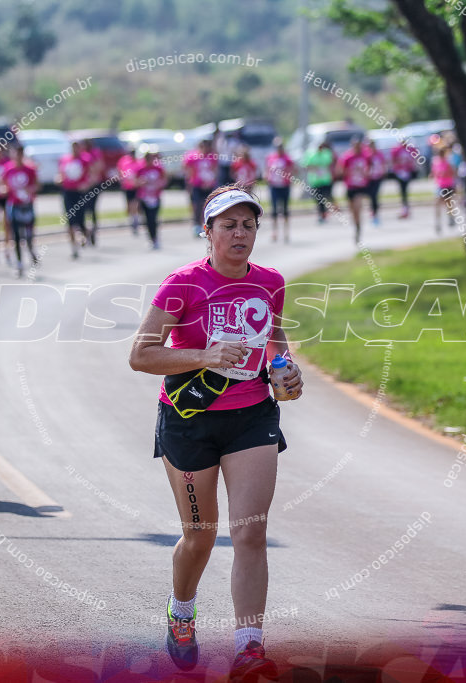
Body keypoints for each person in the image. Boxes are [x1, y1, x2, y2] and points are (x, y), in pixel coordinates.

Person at [129, 185, 303, 679]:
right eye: (228, 225)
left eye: (248, 224)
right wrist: (204, 355)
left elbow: (273, 338)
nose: (239, 233)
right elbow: (141, 355)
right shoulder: (182, 284)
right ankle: (181, 612)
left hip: (251, 417)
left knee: (251, 532)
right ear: (207, 233)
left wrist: (284, 369)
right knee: (200, 537)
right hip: (189, 420)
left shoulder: (270, 282)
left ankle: (249, 648)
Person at [3, 143, 40, 275]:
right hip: (14, 205)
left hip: (27, 205)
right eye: (15, 153)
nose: (17, 156)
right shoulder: (8, 169)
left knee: (28, 236)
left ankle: (31, 251)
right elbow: (5, 186)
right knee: (16, 235)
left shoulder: (30, 169)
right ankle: (19, 263)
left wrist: (29, 190)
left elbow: (37, 186)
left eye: (19, 153)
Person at [58, 141, 92, 259]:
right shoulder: (65, 159)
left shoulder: (85, 160)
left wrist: (86, 184)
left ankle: (85, 234)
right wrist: (59, 179)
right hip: (68, 192)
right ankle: (74, 247)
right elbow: (60, 174)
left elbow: (91, 175)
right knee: (70, 220)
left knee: (81, 219)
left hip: (80, 193)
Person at [337, 137, 371, 245]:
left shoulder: (365, 155)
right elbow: (340, 170)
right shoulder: (347, 157)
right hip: (350, 186)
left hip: (360, 186)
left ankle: (358, 228)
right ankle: (356, 225)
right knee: (352, 211)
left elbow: (370, 166)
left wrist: (365, 174)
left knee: (358, 207)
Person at [184, 139, 219, 236]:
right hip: (196, 184)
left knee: (207, 206)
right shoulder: (193, 157)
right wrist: (189, 183)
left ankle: (206, 225)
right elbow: (188, 170)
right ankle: (196, 225)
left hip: (209, 184)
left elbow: (214, 170)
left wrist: (211, 181)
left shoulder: (212, 157)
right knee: (196, 205)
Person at [264, 139, 294, 243]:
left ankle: (286, 232)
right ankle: (274, 232)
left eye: (281, 147)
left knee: (285, 210)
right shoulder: (271, 157)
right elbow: (267, 168)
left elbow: (293, 169)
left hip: (284, 186)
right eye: (277, 147)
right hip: (274, 186)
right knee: (274, 210)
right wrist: (267, 176)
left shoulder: (287, 158)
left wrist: (289, 177)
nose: (279, 149)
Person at [136, 149, 167, 250]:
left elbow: (164, 180)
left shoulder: (158, 168)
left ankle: (155, 238)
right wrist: (141, 182)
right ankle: (151, 238)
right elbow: (135, 182)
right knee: (147, 219)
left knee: (154, 218)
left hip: (155, 196)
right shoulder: (141, 169)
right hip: (144, 197)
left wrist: (159, 184)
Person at [302, 141, 334, 223]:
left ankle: (325, 213)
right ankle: (322, 215)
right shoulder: (312, 155)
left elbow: (331, 164)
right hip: (316, 181)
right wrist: (315, 168)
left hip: (326, 180)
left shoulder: (326, 154)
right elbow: (307, 166)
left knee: (326, 197)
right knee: (319, 199)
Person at [431, 146, 458, 234]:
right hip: (440, 185)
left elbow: (453, 173)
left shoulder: (448, 162)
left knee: (448, 203)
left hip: (448, 184)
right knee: (437, 203)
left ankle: (450, 217)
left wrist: (444, 174)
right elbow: (433, 173)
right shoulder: (435, 161)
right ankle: (438, 222)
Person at [83, 139, 105, 242]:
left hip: (94, 185)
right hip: (84, 186)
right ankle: (86, 230)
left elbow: (99, 166)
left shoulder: (95, 153)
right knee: (85, 208)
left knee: (92, 208)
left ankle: (93, 230)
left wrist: (92, 179)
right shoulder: (83, 154)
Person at [117, 147, 142, 235]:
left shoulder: (139, 162)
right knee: (128, 206)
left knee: (135, 204)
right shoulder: (124, 161)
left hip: (136, 187)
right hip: (127, 186)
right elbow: (120, 171)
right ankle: (132, 219)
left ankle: (135, 221)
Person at [390, 141, 418, 219]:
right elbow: (394, 160)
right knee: (403, 191)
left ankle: (405, 208)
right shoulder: (397, 150)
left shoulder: (410, 149)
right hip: (400, 172)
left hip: (407, 172)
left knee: (404, 191)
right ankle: (405, 208)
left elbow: (414, 159)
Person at [364, 138, 388, 227]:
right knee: (371, 195)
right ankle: (373, 211)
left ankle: (375, 213)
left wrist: (384, 172)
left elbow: (383, 164)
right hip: (369, 178)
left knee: (375, 195)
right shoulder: (367, 154)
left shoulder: (378, 154)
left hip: (377, 177)